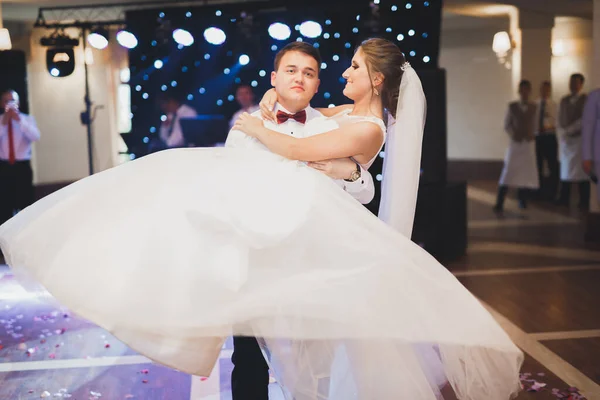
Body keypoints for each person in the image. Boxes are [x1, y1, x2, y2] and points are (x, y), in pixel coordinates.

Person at [0, 38, 523, 400]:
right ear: (277, 77)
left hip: (309, 245)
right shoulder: (329, 113)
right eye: (298, 72)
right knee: (249, 345)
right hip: (255, 241)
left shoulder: (359, 125)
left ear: (375, 78)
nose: (341, 73)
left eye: (350, 68)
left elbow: (346, 170)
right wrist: (277, 118)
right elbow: (287, 154)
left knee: (314, 348)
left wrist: (270, 129)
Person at [225, 42, 376, 400]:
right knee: (247, 356)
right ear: (274, 78)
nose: (299, 78)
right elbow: (228, 189)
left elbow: (364, 192)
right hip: (255, 257)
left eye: (308, 73)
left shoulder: (330, 127)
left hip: (310, 259)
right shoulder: (246, 127)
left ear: (317, 85)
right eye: (291, 71)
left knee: (315, 356)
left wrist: (351, 173)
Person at [493, 80, 539, 212]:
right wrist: (514, 134)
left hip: (528, 144)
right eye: (522, 89)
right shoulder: (512, 106)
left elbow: (535, 124)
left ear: (529, 91)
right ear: (519, 91)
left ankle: (522, 200)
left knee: (525, 172)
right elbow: (506, 124)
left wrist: (531, 134)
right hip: (515, 143)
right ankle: (500, 201)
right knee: (508, 171)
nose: (524, 92)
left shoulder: (534, 107)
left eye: (527, 89)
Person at [0, 89, 41, 226]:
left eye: (12, 100)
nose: (10, 104)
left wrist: (19, 121)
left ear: (18, 102)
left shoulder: (27, 119)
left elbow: (36, 136)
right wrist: (4, 123)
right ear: (2, 104)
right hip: (4, 167)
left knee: (25, 204)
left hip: (22, 167)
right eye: (7, 101)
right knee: (5, 205)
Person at [557, 73, 589, 209]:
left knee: (582, 172)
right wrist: (562, 133)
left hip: (580, 140)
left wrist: (571, 129)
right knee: (566, 170)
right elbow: (559, 118)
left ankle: (584, 201)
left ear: (581, 84)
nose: (573, 85)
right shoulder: (564, 100)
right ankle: (564, 198)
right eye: (571, 82)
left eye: (576, 82)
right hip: (566, 140)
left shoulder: (586, 99)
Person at [534, 81, 559, 201]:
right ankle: (538, 191)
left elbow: (558, 122)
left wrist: (548, 127)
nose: (545, 91)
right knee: (537, 165)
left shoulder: (554, 105)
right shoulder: (535, 104)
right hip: (537, 137)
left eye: (547, 89)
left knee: (552, 164)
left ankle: (552, 193)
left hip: (549, 136)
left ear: (549, 90)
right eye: (543, 89)